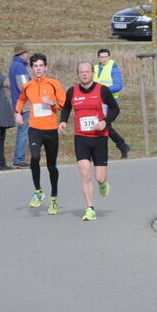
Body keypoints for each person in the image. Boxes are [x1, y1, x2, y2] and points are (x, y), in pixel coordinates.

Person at [59, 62, 119, 221]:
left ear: (92, 73)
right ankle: (90, 208)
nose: (84, 74)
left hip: (99, 138)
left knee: (100, 177)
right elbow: (66, 108)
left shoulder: (102, 90)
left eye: (87, 72)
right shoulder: (72, 91)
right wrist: (63, 121)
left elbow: (115, 109)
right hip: (81, 137)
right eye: (81, 72)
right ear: (78, 74)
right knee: (85, 172)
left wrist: (105, 122)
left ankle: (103, 183)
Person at [14, 54, 66, 215]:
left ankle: (54, 198)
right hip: (35, 129)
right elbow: (21, 100)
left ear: (46, 67)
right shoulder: (27, 86)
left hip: (50, 130)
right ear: (31, 68)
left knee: (51, 165)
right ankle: (38, 191)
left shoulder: (53, 84)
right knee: (34, 158)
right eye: (35, 66)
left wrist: (52, 103)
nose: (38, 69)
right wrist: (17, 112)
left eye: (41, 66)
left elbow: (63, 103)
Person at [93, 48, 132, 159]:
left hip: (111, 103)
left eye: (106, 57)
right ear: (98, 58)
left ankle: (122, 146)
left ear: (109, 57)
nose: (104, 59)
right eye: (102, 57)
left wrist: (103, 91)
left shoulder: (113, 68)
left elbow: (118, 86)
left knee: (105, 125)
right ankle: (123, 146)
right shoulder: (95, 68)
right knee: (104, 126)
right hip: (98, 103)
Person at [8, 47, 31, 168]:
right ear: (22, 53)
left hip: (19, 103)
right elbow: (24, 86)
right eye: (26, 52)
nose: (27, 54)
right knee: (24, 131)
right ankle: (19, 158)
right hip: (24, 104)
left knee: (23, 131)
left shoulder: (14, 65)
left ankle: (19, 158)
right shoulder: (20, 67)